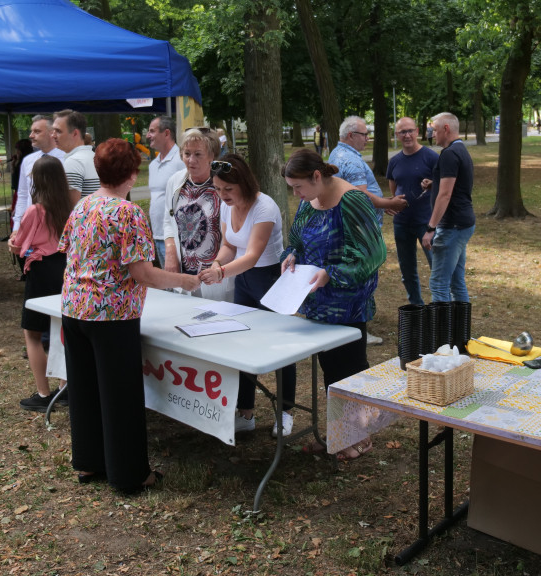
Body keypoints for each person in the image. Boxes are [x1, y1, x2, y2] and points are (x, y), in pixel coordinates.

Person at [59, 138, 199, 493]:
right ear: (132, 174)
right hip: (111, 315)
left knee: (85, 389)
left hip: (75, 308)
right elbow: (144, 273)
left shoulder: (83, 206)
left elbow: (71, 253)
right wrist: (186, 280)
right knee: (120, 396)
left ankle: (90, 463)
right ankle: (130, 474)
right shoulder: (127, 213)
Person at [281, 149, 386, 460]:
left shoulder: (352, 201)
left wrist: (333, 274)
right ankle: (341, 435)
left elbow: (371, 254)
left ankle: (359, 437)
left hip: (348, 303)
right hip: (318, 301)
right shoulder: (309, 202)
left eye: (298, 187)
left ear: (317, 177)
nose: (296, 194)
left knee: (350, 368)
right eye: (292, 188)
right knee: (331, 369)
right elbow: (298, 240)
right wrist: (292, 255)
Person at [197, 154, 290, 436]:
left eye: (228, 189)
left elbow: (252, 255)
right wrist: (216, 263)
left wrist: (222, 272)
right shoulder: (227, 207)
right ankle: (245, 412)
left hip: (270, 278)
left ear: (244, 184)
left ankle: (285, 412)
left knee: (282, 348)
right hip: (245, 280)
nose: (222, 195)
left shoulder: (264, 208)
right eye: (217, 188)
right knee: (244, 341)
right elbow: (229, 245)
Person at [329, 116, 406, 345]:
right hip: (359, 231)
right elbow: (360, 197)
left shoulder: (337, 153)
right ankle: (360, 327)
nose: (368, 139)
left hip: (350, 228)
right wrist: (388, 203)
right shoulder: (350, 160)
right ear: (351, 135)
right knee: (362, 276)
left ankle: (354, 324)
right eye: (364, 134)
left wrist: (383, 203)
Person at [12, 156, 73, 412]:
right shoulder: (71, 207)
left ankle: (43, 392)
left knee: (33, 333)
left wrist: (12, 242)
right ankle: (65, 387)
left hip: (40, 271)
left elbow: (19, 245)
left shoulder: (35, 210)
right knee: (64, 331)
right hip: (65, 269)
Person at [421, 112, 475, 303]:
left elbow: (446, 195)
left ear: (446, 129)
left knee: (438, 283)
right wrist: (434, 184)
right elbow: (455, 185)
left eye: (434, 130)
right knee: (456, 281)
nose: (432, 134)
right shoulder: (460, 150)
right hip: (462, 223)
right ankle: (460, 331)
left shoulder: (449, 154)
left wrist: (431, 228)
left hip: (452, 226)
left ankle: (442, 332)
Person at [386, 118, 439, 306]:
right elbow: (394, 190)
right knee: (407, 270)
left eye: (410, 131)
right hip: (402, 224)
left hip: (427, 223)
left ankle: (441, 306)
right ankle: (417, 307)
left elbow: (444, 188)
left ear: (417, 131)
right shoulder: (394, 161)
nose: (407, 135)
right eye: (402, 132)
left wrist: (433, 185)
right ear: (397, 134)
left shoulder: (431, 157)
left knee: (437, 267)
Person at [162, 128, 222, 277]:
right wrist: (170, 252)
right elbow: (168, 222)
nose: (191, 160)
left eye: (198, 154)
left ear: (211, 156)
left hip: (216, 272)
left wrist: (219, 268)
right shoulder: (175, 181)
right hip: (184, 271)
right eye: (187, 154)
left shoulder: (223, 183)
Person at [11, 116, 65, 237]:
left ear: (52, 133)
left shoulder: (68, 159)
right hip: (33, 229)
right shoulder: (28, 161)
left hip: (60, 229)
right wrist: (17, 227)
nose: (30, 135)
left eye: (37, 131)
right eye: (32, 131)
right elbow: (23, 195)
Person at [145, 116, 185, 266]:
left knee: (179, 285)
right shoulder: (153, 165)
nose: (148, 135)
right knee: (168, 286)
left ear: (166, 133)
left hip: (175, 238)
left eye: (152, 131)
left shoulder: (181, 161)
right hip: (157, 234)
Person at [52, 109, 99, 203]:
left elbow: (71, 210)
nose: (53, 135)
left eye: (58, 131)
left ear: (75, 133)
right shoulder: (95, 157)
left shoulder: (74, 162)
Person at [9, 138, 36, 215]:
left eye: (18, 150)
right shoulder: (19, 162)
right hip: (18, 191)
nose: (16, 152)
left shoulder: (25, 162)